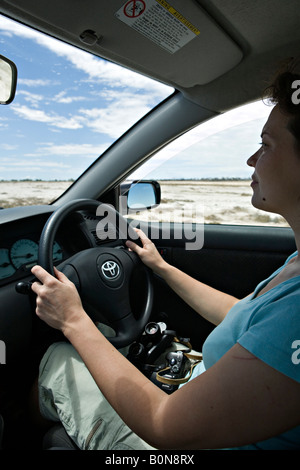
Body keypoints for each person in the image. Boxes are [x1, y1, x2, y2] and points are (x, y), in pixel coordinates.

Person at [31, 58, 300, 450]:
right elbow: (244, 318)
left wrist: (72, 320)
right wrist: (161, 267)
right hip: (209, 404)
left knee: (59, 356)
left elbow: (165, 426)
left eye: (266, 144)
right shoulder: (295, 266)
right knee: (106, 338)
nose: (252, 160)